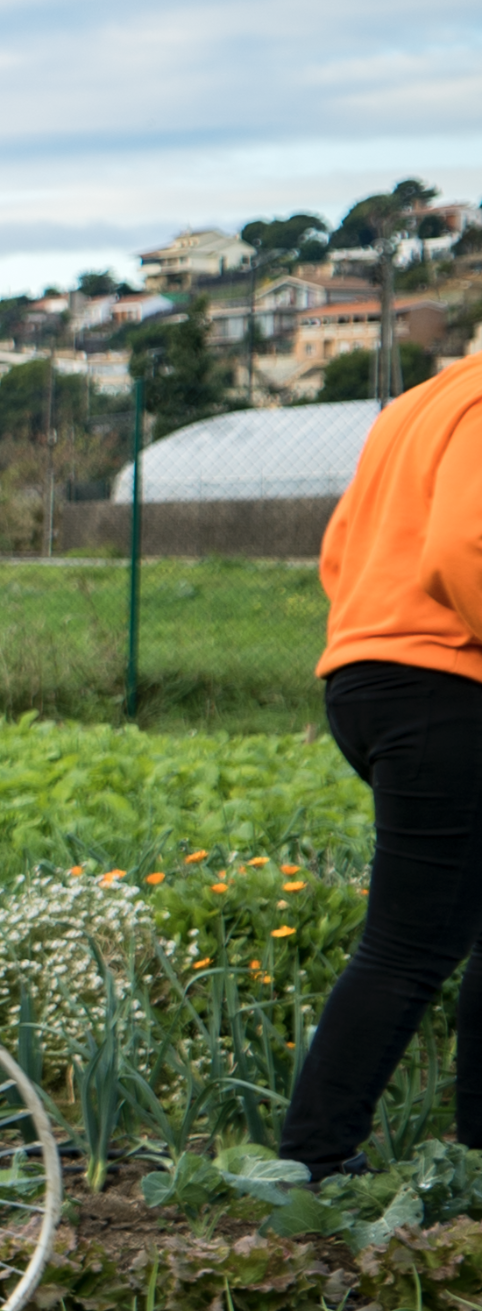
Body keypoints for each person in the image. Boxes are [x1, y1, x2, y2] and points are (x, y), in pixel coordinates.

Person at [275, 359, 482, 1181]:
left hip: (367, 677)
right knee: (410, 945)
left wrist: (375, 634)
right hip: (447, 687)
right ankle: (314, 1161)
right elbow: (466, 543)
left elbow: (342, 546)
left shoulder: (421, 401)